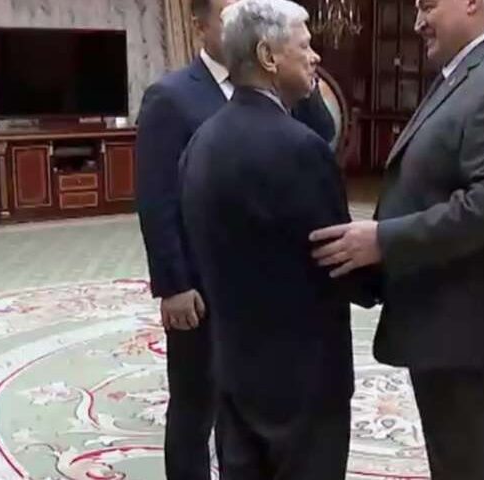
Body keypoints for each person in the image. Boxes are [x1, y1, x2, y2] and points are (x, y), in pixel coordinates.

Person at [309, 0, 484, 478]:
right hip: (452, 326)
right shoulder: (466, 74)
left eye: (427, 5)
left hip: (483, 336)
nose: (417, 21)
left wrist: (384, 241)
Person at [134, 0, 336, 477]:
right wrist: (173, 284)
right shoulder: (171, 96)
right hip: (202, 286)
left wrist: (302, 85)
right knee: (194, 405)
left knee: (247, 405)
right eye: (228, 12)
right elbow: (157, 197)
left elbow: (323, 134)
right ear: (200, 25)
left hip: (267, 290)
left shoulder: (281, 85)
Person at [179, 0, 375, 478]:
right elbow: (341, 261)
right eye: (305, 47)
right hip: (303, 380)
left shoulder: (201, 143)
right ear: (268, 56)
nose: (316, 57)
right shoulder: (302, 149)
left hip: (233, 368)